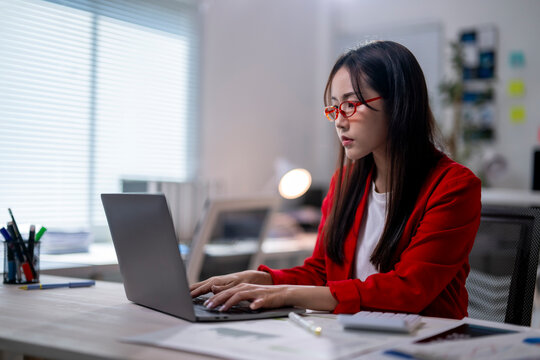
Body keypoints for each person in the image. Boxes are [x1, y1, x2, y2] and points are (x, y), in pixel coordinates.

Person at [190, 41, 481, 319]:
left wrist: (287, 293)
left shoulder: (453, 187)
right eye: (334, 108)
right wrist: (265, 279)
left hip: (426, 343)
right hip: (352, 338)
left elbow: (410, 289)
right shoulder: (345, 184)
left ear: (400, 104)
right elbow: (322, 273)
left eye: (351, 105)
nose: (340, 121)